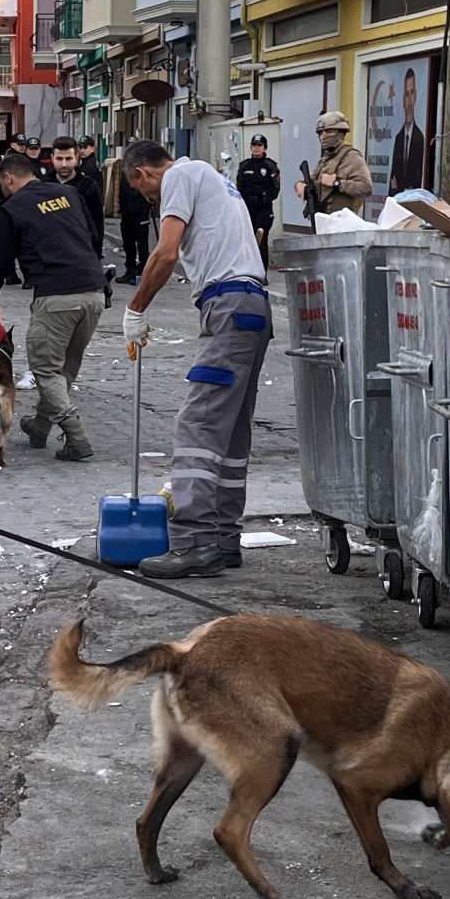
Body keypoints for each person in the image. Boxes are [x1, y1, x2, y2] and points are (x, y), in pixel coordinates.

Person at [118, 139, 271, 579]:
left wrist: (136, 308)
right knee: (230, 431)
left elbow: (166, 252)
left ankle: (193, 543)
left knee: (199, 425)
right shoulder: (216, 180)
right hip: (252, 307)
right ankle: (223, 539)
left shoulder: (180, 177)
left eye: (147, 195)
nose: (152, 201)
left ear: (144, 174)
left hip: (226, 305)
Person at [0, 152, 104, 460]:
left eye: (1, 184)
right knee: (64, 372)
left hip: (56, 296)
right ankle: (39, 427)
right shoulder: (68, 193)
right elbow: (93, 235)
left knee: (46, 371)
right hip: (94, 293)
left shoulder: (14, 208)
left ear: (8, 178)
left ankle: (76, 437)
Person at [298, 110, 373, 219]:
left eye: (328, 131)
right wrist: (299, 185)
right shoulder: (325, 160)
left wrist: (337, 183)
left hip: (342, 223)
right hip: (324, 221)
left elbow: (366, 188)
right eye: (320, 133)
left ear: (341, 133)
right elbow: (310, 180)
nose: (323, 137)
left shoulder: (352, 157)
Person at [234, 136, 281, 268]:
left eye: (259, 145)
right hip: (247, 209)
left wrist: (264, 200)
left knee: (262, 241)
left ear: (264, 148)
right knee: (246, 240)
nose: (256, 147)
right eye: (254, 145)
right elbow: (239, 187)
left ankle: (262, 272)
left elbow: (275, 188)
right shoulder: (244, 165)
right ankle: (247, 270)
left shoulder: (270, 165)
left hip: (263, 209)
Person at [52, 135, 103, 246]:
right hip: (50, 252)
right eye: (59, 159)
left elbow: (97, 223)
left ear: (76, 158)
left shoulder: (88, 186)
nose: (64, 164)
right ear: (52, 158)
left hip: (80, 251)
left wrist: (95, 256)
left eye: (69, 158)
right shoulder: (44, 185)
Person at [389, 71, 430, 197]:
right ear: (403, 99)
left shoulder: (420, 137)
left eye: (412, 93)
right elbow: (392, 182)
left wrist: (401, 188)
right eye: (407, 94)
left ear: (416, 96)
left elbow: (416, 182)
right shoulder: (399, 138)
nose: (410, 101)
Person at [116, 161, 154, 285]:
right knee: (128, 244)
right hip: (127, 213)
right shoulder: (125, 171)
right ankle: (130, 271)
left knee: (142, 244)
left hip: (139, 212)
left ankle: (143, 272)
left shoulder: (144, 170)